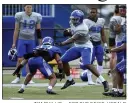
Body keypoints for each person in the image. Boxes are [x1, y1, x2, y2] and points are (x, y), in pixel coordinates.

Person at [57, 10, 109, 92]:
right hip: (77, 46)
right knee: (63, 60)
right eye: (72, 19)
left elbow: (73, 39)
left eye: (75, 19)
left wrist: (62, 43)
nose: (73, 20)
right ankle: (70, 80)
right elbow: (73, 31)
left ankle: (104, 81)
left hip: (86, 46)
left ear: (80, 19)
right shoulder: (72, 22)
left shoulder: (83, 28)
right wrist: (69, 31)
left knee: (87, 64)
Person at [11, 4, 42, 84]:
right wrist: (14, 43)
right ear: (24, 7)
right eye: (27, 7)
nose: (29, 8)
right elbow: (16, 29)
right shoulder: (19, 15)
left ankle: (29, 78)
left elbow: (38, 30)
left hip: (31, 40)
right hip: (22, 39)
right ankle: (18, 77)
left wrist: (40, 43)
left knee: (30, 60)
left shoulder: (36, 16)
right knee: (20, 59)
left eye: (30, 7)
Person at [83, 8, 108, 84]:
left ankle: (99, 79)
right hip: (90, 44)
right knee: (90, 62)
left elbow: (102, 33)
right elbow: (84, 33)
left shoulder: (101, 21)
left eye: (94, 12)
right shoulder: (86, 22)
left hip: (98, 44)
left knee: (100, 61)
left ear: (97, 13)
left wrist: (105, 43)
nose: (92, 14)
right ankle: (90, 80)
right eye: (91, 12)